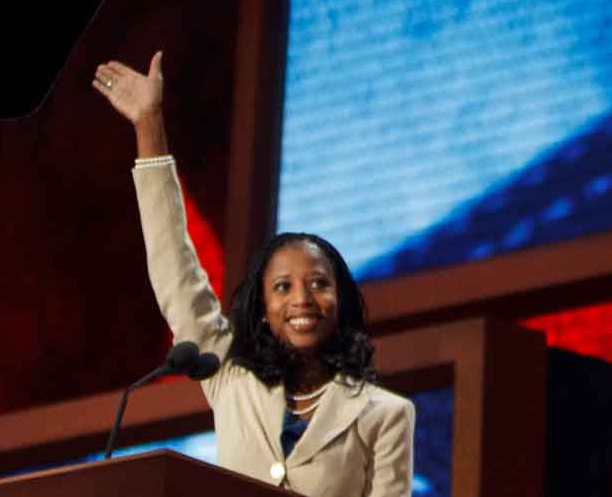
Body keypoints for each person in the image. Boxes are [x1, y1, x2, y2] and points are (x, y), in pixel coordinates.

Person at [94, 53, 413, 495]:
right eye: (282, 287)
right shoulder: (231, 378)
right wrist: (149, 125)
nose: (302, 298)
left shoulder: (385, 415)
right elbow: (175, 271)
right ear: (262, 308)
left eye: (319, 284)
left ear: (341, 303)